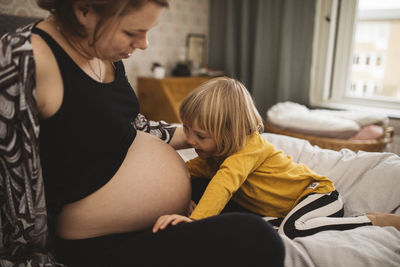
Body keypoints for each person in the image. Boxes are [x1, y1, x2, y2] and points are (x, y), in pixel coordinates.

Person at [0, 0, 286, 266]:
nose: (144, 44)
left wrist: (211, 136)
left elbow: (132, 126)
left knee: (248, 185)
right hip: (98, 242)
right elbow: (13, 188)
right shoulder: (25, 58)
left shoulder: (105, 53)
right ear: (83, 10)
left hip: (150, 219)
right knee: (257, 238)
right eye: (132, 32)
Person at [152, 77, 400, 239]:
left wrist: (195, 222)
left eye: (200, 136)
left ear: (229, 133)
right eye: (188, 131)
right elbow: (187, 170)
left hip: (317, 195)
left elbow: (223, 184)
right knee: (262, 226)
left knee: (292, 229)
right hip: (285, 209)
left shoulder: (248, 149)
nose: (190, 141)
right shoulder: (213, 154)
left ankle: (371, 221)